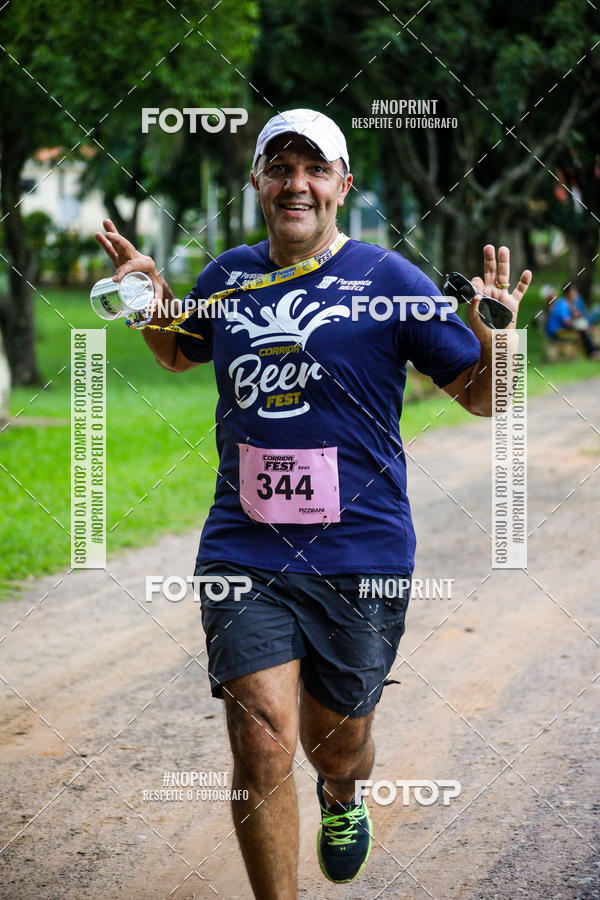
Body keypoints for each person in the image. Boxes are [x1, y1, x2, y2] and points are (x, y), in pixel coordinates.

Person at [96, 108, 532, 898]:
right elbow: (175, 351)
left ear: (342, 185)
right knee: (263, 741)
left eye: (314, 169)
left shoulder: (391, 281)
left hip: (361, 550)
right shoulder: (228, 277)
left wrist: (498, 338)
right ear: (258, 182)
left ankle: (341, 794)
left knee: (337, 745)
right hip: (245, 544)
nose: (297, 184)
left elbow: (482, 397)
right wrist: (146, 298)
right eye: (281, 168)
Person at [545, 283, 599, 358]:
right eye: (574, 291)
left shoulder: (569, 303)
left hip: (562, 329)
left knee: (584, 329)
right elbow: (566, 321)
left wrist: (579, 320)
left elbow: (577, 316)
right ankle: (591, 353)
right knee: (582, 330)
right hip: (556, 331)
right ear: (568, 293)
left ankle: (593, 351)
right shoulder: (563, 304)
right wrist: (580, 326)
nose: (576, 293)